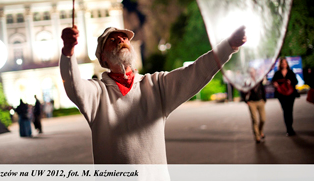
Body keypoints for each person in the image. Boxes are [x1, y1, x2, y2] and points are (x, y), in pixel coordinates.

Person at [60, 25, 246, 175]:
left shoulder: (156, 85)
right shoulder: (97, 93)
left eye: (124, 38)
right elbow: (74, 86)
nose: (120, 40)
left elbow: (196, 72)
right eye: (112, 40)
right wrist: (68, 53)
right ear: (103, 58)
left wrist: (228, 46)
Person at [271, 57, 298, 136]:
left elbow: (295, 81)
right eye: (282, 63)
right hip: (281, 95)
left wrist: (290, 81)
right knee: (285, 111)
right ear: (280, 64)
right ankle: (288, 129)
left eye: (285, 63)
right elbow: (273, 81)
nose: (283, 65)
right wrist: (275, 84)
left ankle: (290, 127)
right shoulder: (277, 73)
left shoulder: (290, 72)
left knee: (290, 111)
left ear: (287, 64)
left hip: (290, 94)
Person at [241, 68, 266, 143]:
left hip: (260, 101)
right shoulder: (247, 81)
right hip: (251, 102)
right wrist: (246, 101)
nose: (252, 73)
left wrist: (264, 99)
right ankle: (257, 136)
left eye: (253, 71)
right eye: (250, 72)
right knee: (255, 120)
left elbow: (262, 89)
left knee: (263, 119)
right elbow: (242, 91)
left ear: (255, 72)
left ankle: (260, 131)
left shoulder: (259, 79)